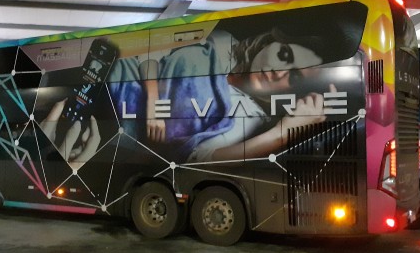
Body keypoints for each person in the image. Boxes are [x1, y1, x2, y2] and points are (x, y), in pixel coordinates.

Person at [108, 27, 336, 164]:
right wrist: (153, 100)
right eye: (284, 54)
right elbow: (151, 48)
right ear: (271, 42)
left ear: (293, 93)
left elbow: (201, 159)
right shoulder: (222, 41)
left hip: (117, 136)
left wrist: (283, 132)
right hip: (112, 76)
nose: (279, 71)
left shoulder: (251, 118)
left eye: (294, 77)